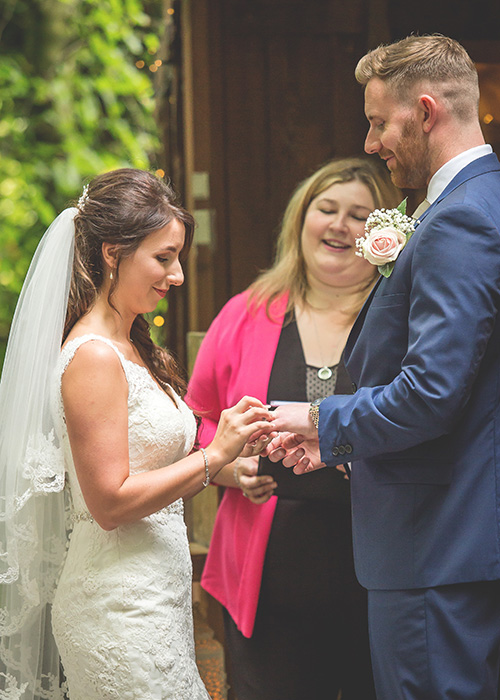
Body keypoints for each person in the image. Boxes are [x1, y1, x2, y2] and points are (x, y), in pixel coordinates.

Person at [268, 35, 500, 700]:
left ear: (424, 111)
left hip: (435, 545)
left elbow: (431, 392)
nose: (370, 143)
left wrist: (318, 418)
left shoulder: (460, 220)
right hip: (445, 537)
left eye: (377, 121)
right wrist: (348, 447)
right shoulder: (467, 205)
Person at [0, 168, 275, 700]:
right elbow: (109, 501)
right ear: (112, 252)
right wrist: (215, 454)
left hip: (154, 601)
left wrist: (235, 452)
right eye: (163, 257)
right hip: (118, 611)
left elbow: (152, 459)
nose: (176, 275)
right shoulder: (94, 358)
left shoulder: (132, 345)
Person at [187, 157, 401, 699]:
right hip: (266, 579)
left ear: (382, 234)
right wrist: (228, 467)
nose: (338, 225)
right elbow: (195, 419)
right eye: (326, 209)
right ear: (300, 220)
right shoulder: (244, 313)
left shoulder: (400, 319)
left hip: (379, 568)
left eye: (358, 214)